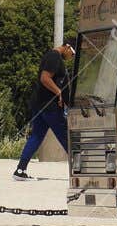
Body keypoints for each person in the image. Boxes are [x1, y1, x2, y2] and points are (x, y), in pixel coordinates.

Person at [14, 39, 76, 180]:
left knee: (36, 136)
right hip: (49, 106)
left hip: (41, 105)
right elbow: (45, 78)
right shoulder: (54, 57)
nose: (71, 57)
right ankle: (81, 169)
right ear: (67, 47)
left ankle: (20, 170)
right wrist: (58, 92)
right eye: (72, 54)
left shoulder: (54, 57)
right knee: (66, 136)